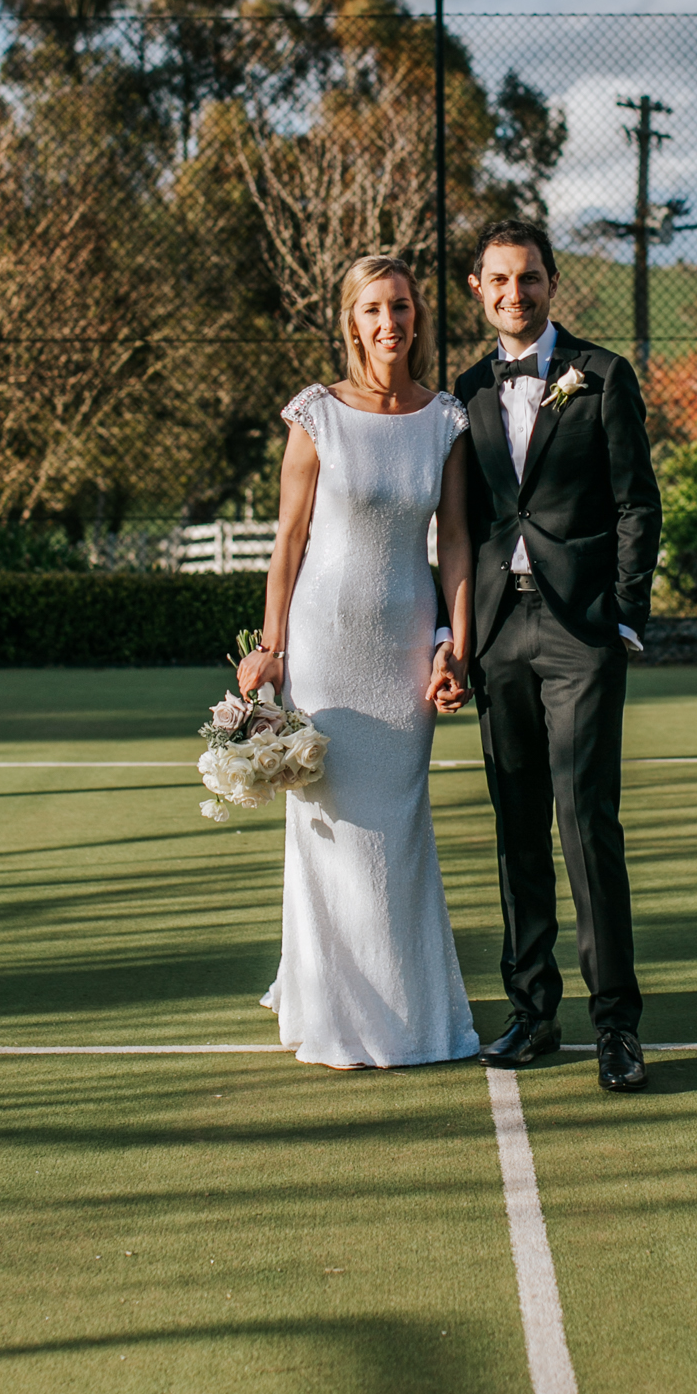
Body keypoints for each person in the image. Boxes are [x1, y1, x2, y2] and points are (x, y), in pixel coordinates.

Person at [237, 254, 479, 1070]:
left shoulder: (445, 418)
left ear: (418, 317)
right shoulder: (317, 415)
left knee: (397, 828)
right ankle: (336, 1014)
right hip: (326, 649)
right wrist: (271, 652)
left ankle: (413, 1017)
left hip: (405, 650)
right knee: (328, 829)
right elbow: (288, 545)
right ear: (351, 321)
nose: (390, 322)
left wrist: (457, 644)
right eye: (374, 308)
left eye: (403, 306)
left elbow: (454, 546)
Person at [455, 219, 662, 1092]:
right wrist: (456, 638)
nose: (515, 293)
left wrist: (619, 616)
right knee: (515, 833)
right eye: (499, 280)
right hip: (499, 634)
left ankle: (615, 1025)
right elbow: (459, 525)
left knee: (588, 829)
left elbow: (636, 505)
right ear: (477, 288)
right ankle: (532, 1013)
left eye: (529, 278)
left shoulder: (604, 377)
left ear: (551, 282)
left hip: (581, 636)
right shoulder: (463, 393)